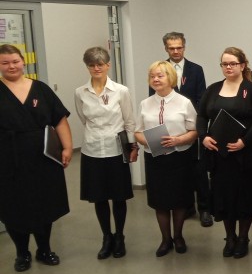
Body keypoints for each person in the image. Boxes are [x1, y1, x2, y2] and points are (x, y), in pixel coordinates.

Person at [0, 44, 72, 271]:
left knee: (44, 203)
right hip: (7, 159)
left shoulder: (41, 89)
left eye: (15, 61)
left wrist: (67, 147)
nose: (11, 66)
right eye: (5, 63)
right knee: (13, 206)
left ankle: (44, 249)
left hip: (43, 156)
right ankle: (22, 253)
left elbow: (59, 119)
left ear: (23, 62)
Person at [197, 47, 252, 259]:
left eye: (233, 64)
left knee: (244, 197)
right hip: (220, 156)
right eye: (224, 64)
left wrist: (244, 141)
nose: (228, 67)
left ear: (242, 65)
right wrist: (203, 136)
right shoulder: (213, 89)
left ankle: (243, 238)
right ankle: (230, 237)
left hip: (245, 155)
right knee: (224, 196)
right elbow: (201, 116)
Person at [75, 46, 137, 260]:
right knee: (98, 197)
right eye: (91, 65)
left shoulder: (121, 91)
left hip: (116, 150)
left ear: (108, 65)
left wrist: (132, 147)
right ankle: (106, 237)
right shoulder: (80, 92)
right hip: (92, 150)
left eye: (100, 64)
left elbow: (129, 121)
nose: (96, 68)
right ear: (87, 67)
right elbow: (84, 119)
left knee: (119, 197)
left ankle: (119, 236)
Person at [135, 61, 198, 257]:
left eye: (160, 75)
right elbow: (137, 131)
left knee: (179, 200)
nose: (155, 79)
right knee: (159, 201)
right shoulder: (145, 104)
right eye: (152, 76)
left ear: (170, 78)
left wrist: (178, 140)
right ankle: (165, 239)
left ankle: (178, 237)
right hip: (155, 158)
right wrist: (148, 142)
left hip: (179, 157)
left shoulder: (184, 102)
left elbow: (194, 131)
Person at [156, 32, 212, 227]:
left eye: (179, 47)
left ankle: (205, 209)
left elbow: (201, 100)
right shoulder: (159, 70)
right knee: (179, 171)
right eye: (171, 48)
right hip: (169, 129)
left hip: (192, 127)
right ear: (166, 49)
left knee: (199, 169)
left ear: (184, 47)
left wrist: (196, 127)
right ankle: (186, 206)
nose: (176, 51)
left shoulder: (196, 70)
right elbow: (154, 101)